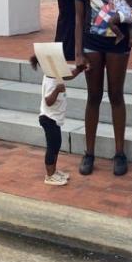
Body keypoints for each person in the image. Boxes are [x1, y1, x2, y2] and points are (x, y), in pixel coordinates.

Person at [72, 0, 132, 176]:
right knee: (93, 96)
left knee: (116, 95)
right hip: (92, 44)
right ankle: (89, 152)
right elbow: (77, 19)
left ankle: (119, 152)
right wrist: (77, 53)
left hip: (118, 45)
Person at [29, 54, 86, 185]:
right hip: (49, 119)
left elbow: (69, 75)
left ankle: (54, 171)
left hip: (54, 119)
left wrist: (79, 69)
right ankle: (49, 175)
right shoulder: (50, 81)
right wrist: (56, 90)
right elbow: (48, 101)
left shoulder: (56, 75)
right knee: (52, 147)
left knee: (56, 144)